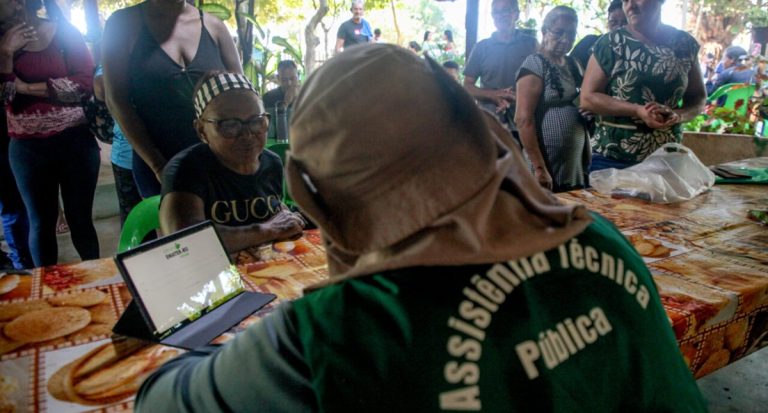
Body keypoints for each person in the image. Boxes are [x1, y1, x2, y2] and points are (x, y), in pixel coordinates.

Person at [135, 44, 707, 413]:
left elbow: (159, 401)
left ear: (317, 194)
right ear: (474, 133)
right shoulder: (595, 234)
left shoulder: (342, 331)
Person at [102, 0, 242, 198]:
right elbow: (116, 101)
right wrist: (159, 166)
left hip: (217, 163)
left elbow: (241, 96)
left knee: (222, 218)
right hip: (157, 162)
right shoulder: (124, 24)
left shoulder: (214, 26)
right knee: (171, 218)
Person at [1, 0, 100, 267]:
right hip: (27, 149)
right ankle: (47, 288)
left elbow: (83, 86)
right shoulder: (2, 44)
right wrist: (6, 54)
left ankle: (97, 280)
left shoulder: (63, 32)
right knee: (41, 223)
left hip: (75, 142)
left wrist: (25, 87)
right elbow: (4, 97)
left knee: (81, 220)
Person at [159, 72, 305, 253]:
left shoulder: (271, 163)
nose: (247, 134)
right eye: (229, 125)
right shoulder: (187, 170)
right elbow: (185, 241)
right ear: (201, 130)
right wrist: (267, 230)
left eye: (257, 121)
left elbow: (278, 217)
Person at [581, 0, 706, 171]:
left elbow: (698, 97)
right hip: (613, 159)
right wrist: (637, 110)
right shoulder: (611, 43)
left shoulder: (684, 44)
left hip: (667, 159)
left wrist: (678, 115)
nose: (630, 6)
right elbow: (588, 98)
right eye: (625, 1)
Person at [516, 6, 589, 192]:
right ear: (544, 32)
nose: (565, 39)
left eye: (571, 34)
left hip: (572, 163)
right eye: (559, 32)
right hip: (545, 163)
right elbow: (523, 119)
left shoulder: (573, 64)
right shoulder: (535, 63)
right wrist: (539, 168)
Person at [463, 0, 537, 133]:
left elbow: (543, 83)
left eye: (505, 11)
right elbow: (468, 86)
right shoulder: (481, 47)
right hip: (490, 124)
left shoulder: (532, 45)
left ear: (516, 14)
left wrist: (519, 97)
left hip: (526, 122)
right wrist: (493, 95)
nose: (500, 16)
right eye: (496, 12)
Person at [93, 67, 142, 227]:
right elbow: (101, 86)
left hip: (161, 152)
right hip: (128, 157)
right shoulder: (108, 70)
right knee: (135, 224)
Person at [570, 0, 626, 69]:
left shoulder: (634, 53)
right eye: (613, 22)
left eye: (625, 22)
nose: (619, 27)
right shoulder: (589, 42)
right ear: (607, 22)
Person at [263, 60, 300, 142]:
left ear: (298, 76)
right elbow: (269, 132)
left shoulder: (307, 95)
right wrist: (286, 102)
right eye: (284, 80)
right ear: (278, 78)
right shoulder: (268, 97)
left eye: (292, 78)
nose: (289, 83)